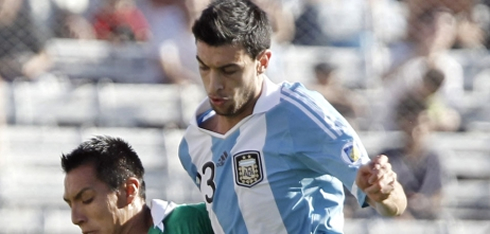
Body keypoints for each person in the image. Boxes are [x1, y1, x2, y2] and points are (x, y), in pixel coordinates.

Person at [178, 1, 407, 233]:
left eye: (229, 70)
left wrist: (384, 193)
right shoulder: (192, 142)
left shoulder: (299, 113)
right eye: (204, 67)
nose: (214, 84)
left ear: (263, 62)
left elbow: (392, 202)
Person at [61, 135, 214, 234]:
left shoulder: (192, 223)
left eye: (87, 199)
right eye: (70, 205)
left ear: (129, 190)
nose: (75, 218)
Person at [379, 93, 445, 220]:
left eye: (423, 122)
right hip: (390, 219)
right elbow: (378, 195)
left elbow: (438, 195)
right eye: (413, 122)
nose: (417, 128)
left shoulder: (433, 159)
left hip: (425, 220)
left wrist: (424, 203)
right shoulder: (387, 157)